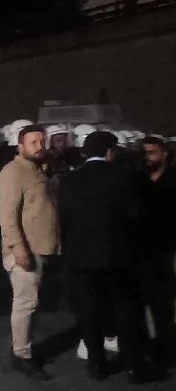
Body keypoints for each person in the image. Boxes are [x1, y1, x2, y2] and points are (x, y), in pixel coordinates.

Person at [59, 131, 148, 383]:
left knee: (88, 311)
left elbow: (64, 220)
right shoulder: (122, 178)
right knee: (125, 310)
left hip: (81, 257)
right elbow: (135, 216)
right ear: (109, 151)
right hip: (117, 256)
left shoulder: (70, 180)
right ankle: (132, 365)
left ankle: (97, 364)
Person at [0, 124, 58, 380]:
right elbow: (6, 216)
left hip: (41, 246)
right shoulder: (13, 172)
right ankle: (22, 355)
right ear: (20, 145)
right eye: (34, 142)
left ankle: (25, 348)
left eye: (42, 141)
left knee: (32, 304)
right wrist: (18, 248)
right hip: (26, 249)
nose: (40, 146)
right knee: (26, 303)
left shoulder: (38, 170)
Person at [139, 136, 176, 367]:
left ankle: (166, 347)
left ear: (164, 153)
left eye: (151, 152)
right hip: (140, 249)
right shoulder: (137, 179)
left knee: (164, 303)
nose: (147, 158)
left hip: (167, 247)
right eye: (144, 153)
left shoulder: (173, 178)